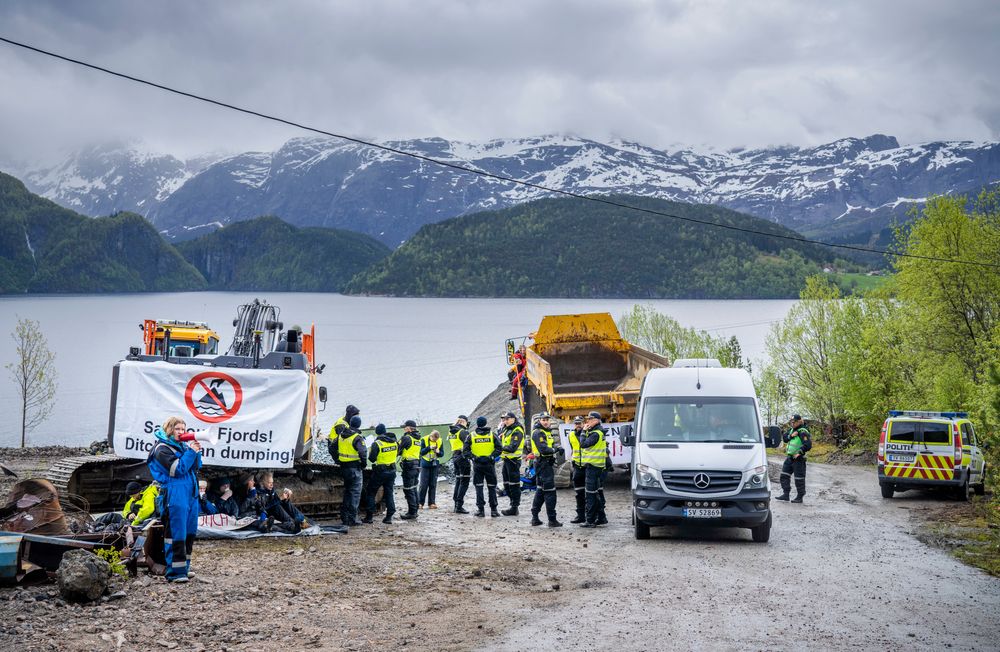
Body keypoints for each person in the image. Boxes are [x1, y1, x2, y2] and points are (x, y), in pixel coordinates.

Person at [147, 416, 202, 583]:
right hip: (174, 493)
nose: (181, 432)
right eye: (178, 429)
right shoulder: (161, 449)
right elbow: (177, 469)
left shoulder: (182, 446)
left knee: (189, 531)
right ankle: (174, 572)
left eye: (183, 429)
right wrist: (191, 452)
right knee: (176, 532)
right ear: (169, 430)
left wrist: (196, 453)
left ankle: (184, 568)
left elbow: (195, 467)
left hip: (189, 493)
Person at [529, 413, 563, 527]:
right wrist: (555, 450)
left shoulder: (546, 432)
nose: (545, 422)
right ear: (540, 421)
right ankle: (552, 520)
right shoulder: (538, 432)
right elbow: (544, 449)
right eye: (543, 420)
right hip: (542, 464)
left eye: (547, 420)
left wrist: (557, 447)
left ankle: (535, 517)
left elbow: (550, 445)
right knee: (550, 492)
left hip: (544, 464)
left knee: (541, 491)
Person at [464, 416, 502, 517]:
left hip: (478, 465)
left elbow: (465, 451)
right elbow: (499, 448)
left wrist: (474, 457)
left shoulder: (471, 435)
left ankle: (481, 511)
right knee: (492, 487)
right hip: (489, 464)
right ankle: (494, 510)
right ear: (485, 423)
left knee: (479, 487)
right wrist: (492, 456)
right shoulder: (492, 435)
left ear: (477, 424)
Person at [364, 424, 398, 524]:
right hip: (392, 471)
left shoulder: (377, 443)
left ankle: (369, 517)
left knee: (371, 492)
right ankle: (389, 516)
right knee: (389, 493)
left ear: (377, 432)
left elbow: (372, 459)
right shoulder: (395, 442)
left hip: (380, 472)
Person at [578, 411, 607, 529]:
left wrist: (584, 431)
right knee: (594, 493)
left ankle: (590, 520)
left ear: (596, 420)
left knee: (590, 494)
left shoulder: (596, 433)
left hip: (593, 467)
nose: (587, 421)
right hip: (596, 466)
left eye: (590, 419)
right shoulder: (598, 432)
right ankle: (601, 517)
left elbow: (583, 444)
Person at [338, 414, 367, 527]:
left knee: (347, 492)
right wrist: (363, 464)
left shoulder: (341, 435)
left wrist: (338, 460)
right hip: (355, 469)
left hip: (344, 468)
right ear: (359, 425)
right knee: (354, 494)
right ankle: (352, 519)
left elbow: (333, 447)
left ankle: (344, 517)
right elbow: (363, 453)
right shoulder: (357, 437)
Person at [777, 414, 812, 503]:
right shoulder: (791, 430)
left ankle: (799, 497)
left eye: (794, 422)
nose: (792, 423)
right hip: (789, 458)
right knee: (784, 475)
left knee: (799, 479)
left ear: (799, 421)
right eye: (791, 422)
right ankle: (786, 495)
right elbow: (785, 438)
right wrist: (791, 435)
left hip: (799, 459)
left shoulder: (803, 431)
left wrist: (799, 453)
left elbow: (808, 445)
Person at [498, 411, 525, 516]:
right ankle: (512, 504)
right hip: (506, 460)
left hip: (513, 461)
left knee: (514, 485)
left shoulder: (517, 430)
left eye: (507, 419)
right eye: (504, 419)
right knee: (506, 484)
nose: (505, 421)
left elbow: (513, 447)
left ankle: (514, 507)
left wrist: (499, 448)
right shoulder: (507, 430)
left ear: (513, 419)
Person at [448, 416, 472, 514]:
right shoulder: (463, 432)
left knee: (458, 480)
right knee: (464, 481)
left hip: (455, 456)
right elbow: (469, 444)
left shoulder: (451, 432)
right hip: (462, 457)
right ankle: (459, 505)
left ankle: (456, 504)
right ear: (463, 422)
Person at [398, 420, 422, 520]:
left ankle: (412, 512)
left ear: (408, 428)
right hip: (416, 465)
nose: (404, 429)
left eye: (405, 427)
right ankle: (415, 509)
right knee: (413, 488)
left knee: (408, 489)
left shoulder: (407, 438)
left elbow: (398, 449)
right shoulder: (418, 439)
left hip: (408, 466)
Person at [567, 416, 587, 524]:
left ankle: (592, 516)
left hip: (587, 467)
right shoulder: (571, 435)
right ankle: (580, 516)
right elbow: (573, 450)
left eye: (580, 423)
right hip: (577, 468)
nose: (578, 425)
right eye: (576, 423)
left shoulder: (588, 434)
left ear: (584, 423)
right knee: (579, 493)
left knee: (590, 493)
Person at [418, 429, 444, 508]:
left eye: (436, 439)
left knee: (433, 484)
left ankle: (432, 503)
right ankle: (420, 503)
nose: (435, 440)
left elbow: (442, 454)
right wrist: (429, 447)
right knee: (423, 484)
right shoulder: (424, 439)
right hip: (425, 464)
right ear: (431, 436)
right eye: (433, 439)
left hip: (434, 464)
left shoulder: (440, 441)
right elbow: (421, 452)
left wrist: (438, 452)